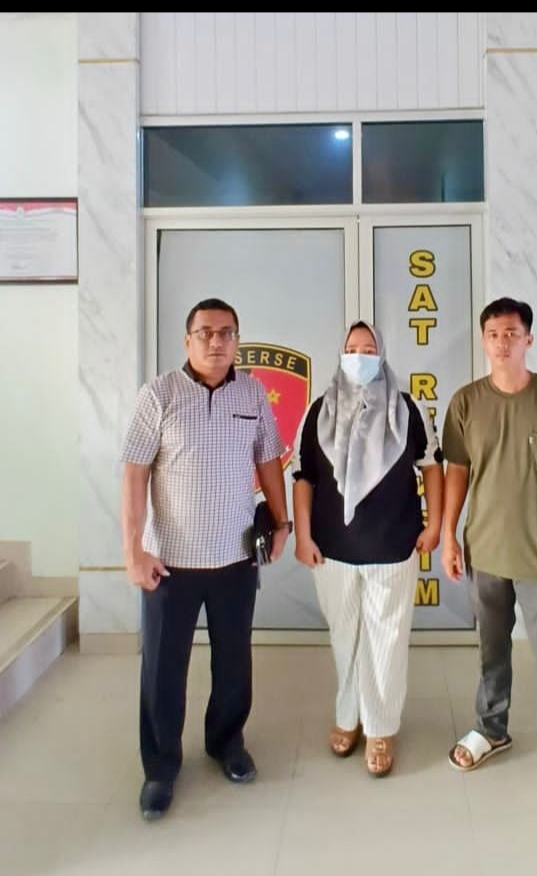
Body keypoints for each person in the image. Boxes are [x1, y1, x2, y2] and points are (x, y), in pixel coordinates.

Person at [120, 297, 291, 821]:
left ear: (237, 339)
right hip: (169, 563)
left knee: (234, 661)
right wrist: (133, 549)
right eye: (205, 332)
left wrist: (282, 522)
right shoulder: (159, 394)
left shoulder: (252, 392)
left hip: (235, 559)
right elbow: (135, 472)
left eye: (226, 332)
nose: (216, 341)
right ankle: (159, 768)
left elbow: (268, 460)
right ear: (187, 340)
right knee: (163, 669)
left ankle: (226, 743)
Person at [441, 297, 537, 823]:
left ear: (529, 339)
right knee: (491, 648)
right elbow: (457, 473)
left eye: (511, 333)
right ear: (483, 340)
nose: (502, 342)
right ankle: (491, 728)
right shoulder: (466, 403)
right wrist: (448, 535)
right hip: (484, 549)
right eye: (493, 333)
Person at [292, 320, 444, 777]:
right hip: (331, 549)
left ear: (382, 355)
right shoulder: (319, 411)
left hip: (392, 545)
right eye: (353, 348)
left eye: (369, 348)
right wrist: (302, 536)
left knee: (387, 640)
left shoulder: (407, 409)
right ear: (341, 355)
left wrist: (435, 524)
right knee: (345, 636)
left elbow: (432, 466)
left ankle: (380, 727)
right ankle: (349, 716)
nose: (360, 356)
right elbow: (303, 477)